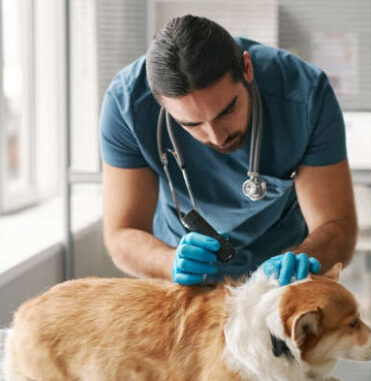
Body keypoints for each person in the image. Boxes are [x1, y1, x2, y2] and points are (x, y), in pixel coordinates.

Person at [100, 14, 357, 286]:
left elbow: (337, 225)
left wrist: (304, 258)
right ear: (158, 101)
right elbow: (122, 233)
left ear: (247, 68)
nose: (217, 136)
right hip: (180, 272)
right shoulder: (126, 105)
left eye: (227, 111)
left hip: (280, 274)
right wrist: (169, 262)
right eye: (192, 124)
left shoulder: (304, 94)